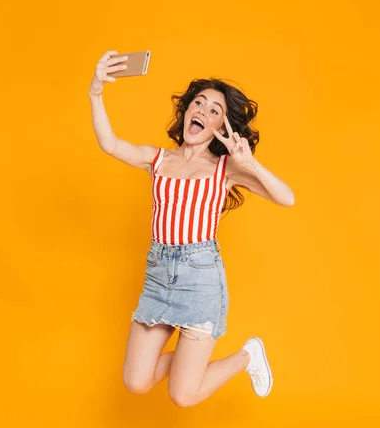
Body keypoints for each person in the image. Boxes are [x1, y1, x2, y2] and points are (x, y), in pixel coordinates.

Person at [89, 50, 295, 408]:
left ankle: (248, 355)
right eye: (198, 103)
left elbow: (286, 198)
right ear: (186, 112)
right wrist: (96, 91)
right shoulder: (157, 159)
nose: (202, 111)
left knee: (182, 395)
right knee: (136, 382)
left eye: (214, 110)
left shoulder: (225, 168)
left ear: (221, 127)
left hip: (200, 279)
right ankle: (191, 362)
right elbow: (109, 144)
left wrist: (251, 164)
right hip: (158, 276)